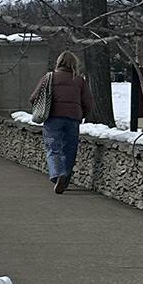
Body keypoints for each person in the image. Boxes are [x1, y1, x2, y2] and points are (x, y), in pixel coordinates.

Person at [32, 51, 90, 194]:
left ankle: (58, 174)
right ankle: (65, 179)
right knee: (70, 150)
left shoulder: (49, 77)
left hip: (53, 118)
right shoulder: (79, 80)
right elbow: (88, 102)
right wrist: (82, 114)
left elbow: (33, 97)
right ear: (74, 64)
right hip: (73, 119)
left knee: (53, 148)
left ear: (58, 62)